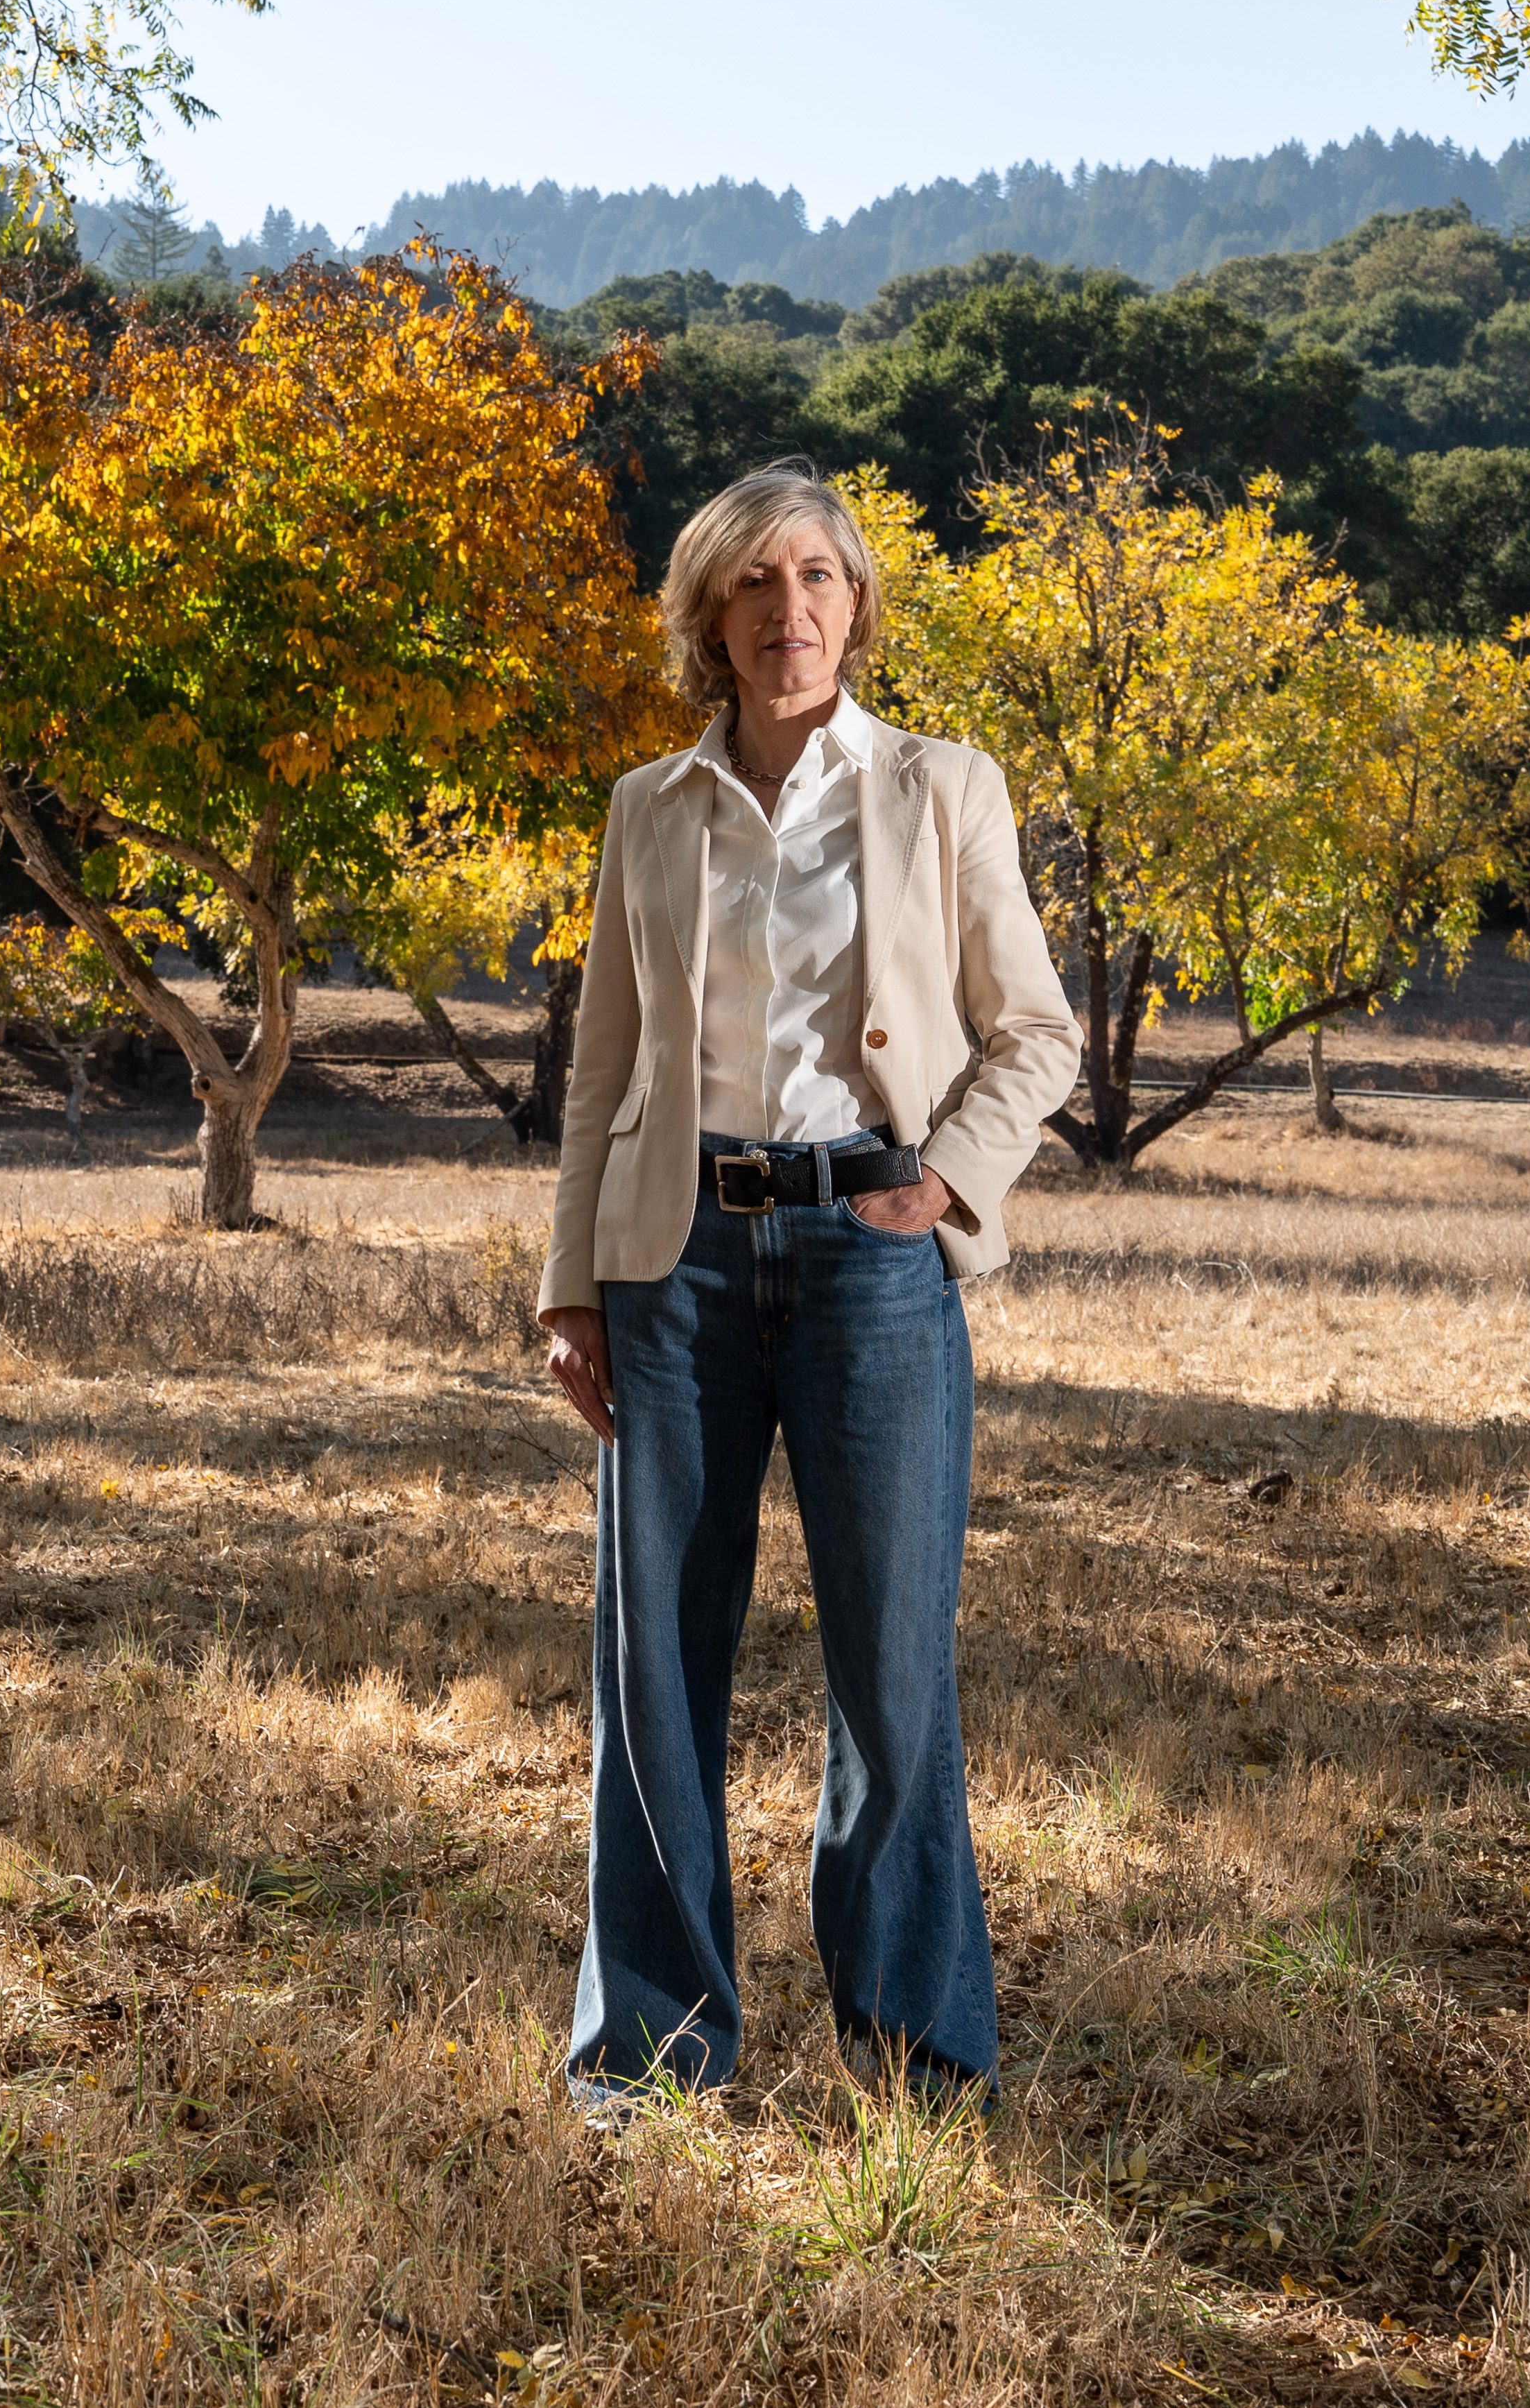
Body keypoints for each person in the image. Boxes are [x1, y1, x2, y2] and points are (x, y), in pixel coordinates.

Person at [538, 464, 1081, 2104]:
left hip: (871, 1257)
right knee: (654, 1676)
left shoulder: (939, 787)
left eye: (822, 579)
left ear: (856, 604)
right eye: (759, 584)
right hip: (674, 1266)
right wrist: (574, 1280)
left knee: (894, 1672)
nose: (795, 612)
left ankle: (912, 2050)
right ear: (711, 614)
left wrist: (952, 1178)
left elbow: (1033, 1030)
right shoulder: (650, 807)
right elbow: (600, 1067)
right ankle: (649, 2049)